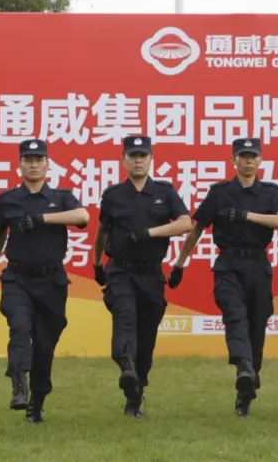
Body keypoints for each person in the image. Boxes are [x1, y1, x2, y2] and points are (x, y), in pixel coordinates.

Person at [171, 137, 278, 418]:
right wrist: (180, 262)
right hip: (228, 265)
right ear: (233, 160)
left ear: (260, 160)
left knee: (257, 325)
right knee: (234, 317)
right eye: (242, 156)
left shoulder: (269, 192)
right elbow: (198, 228)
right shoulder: (220, 193)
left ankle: (248, 382)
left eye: (253, 156)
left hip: (258, 266)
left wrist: (247, 215)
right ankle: (243, 367)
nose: (248, 161)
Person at [0, 138, 90, 424]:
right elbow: (0, 234)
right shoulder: (8, 199)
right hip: (17, 278)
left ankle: (37, 403)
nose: (33, 165)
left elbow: (82, 216)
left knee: (45, 345)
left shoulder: (61, 197)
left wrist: (42, 219)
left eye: (38, 160)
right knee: (19, 325)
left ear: (47, 164)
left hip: (52, 281)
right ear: (19, 165)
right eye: (28, 160)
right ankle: (19, 383)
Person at [91, 135, 192, 419]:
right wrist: (97, 264)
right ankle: (125, 365)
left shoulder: (164, 191)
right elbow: (102, 232)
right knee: (125, 318)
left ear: (150, 159)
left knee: (146, 338)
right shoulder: (113, 195)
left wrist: (150, 233)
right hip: (121, 271)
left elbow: (185, 223)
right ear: (123, 160)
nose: (138, 161)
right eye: (133, 156)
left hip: (151, 274)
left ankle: (135, 394)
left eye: (143, 156)